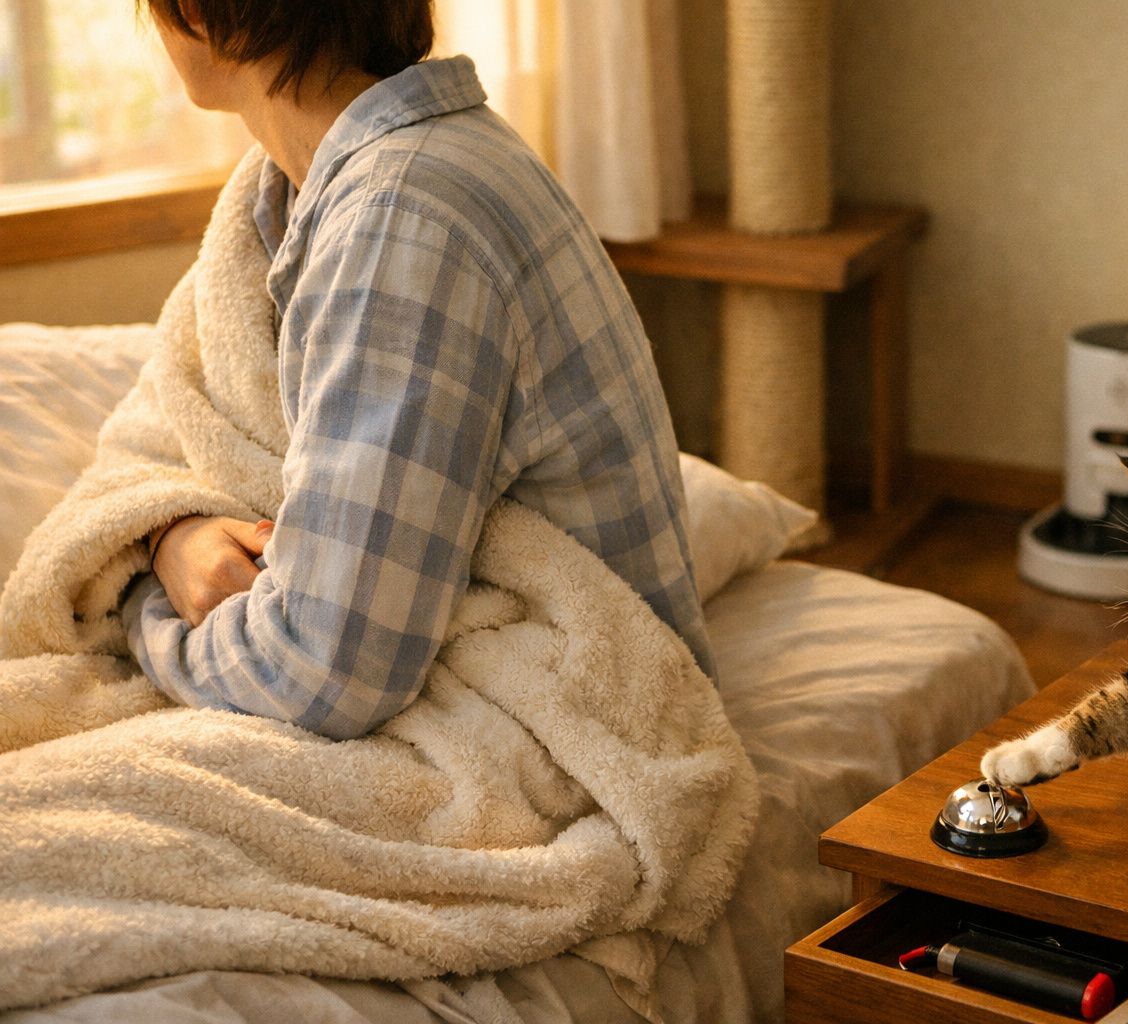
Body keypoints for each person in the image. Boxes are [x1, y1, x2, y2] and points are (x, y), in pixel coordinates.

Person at [123, 0, 713, 740]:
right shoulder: (314, 185)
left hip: (569, 706)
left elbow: (325, 674)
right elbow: (174, 415)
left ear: (197, 14)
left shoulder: (403, 215)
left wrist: (139, 612)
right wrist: (171, 534)